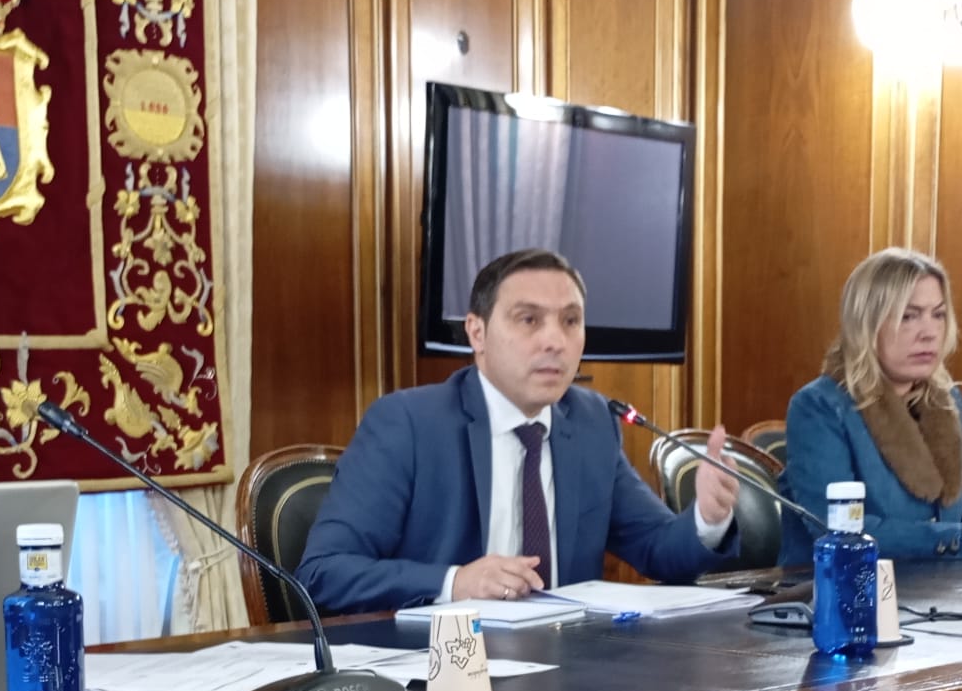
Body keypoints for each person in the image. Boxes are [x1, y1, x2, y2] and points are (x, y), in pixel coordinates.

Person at [297, 248, 739, 614]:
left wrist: (707, 518)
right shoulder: (408, 424)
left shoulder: (591, 422)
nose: (555, 341)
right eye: (529, 320)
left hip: (573, 669)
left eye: (571, 321)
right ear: (477, 333)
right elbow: (323, 573)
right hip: (444, 672)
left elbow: (657, 548)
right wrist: (456, 582)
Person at [779, 248, 962, 565]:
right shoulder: (819, 407)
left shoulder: (944, 402)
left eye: (938, 315)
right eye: (908, 316)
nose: (929, 333)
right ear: (866, 324)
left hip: (936, 588)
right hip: (837, 588)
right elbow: (841, 531)